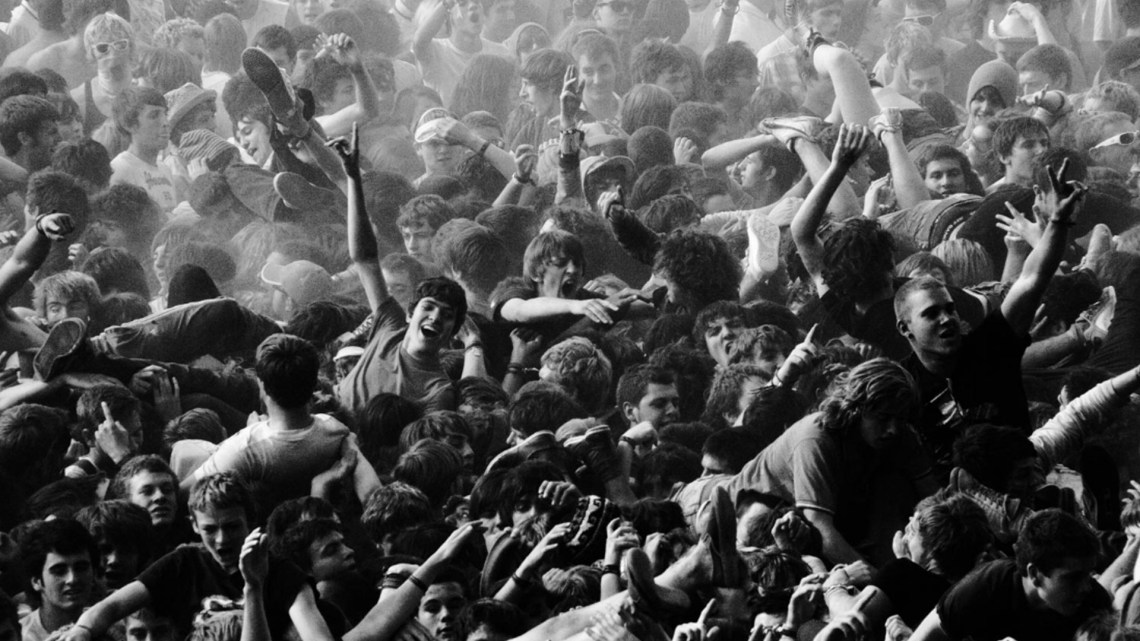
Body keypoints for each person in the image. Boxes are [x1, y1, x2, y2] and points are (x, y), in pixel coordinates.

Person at [60, 473, 335, 641]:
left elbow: (317, 636)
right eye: (210, 529)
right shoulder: (184, 563)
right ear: (193, 525)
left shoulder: (283, 573)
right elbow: (113, 607)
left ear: (250, 522)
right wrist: (82, 630)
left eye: (231, 527)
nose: (221, 540)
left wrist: (254, 584)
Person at [910, 509, 1110, 641]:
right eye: (1073, 578)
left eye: (1088, 575)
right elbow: (924, 636)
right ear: (1035, 574)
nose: (1086, 587)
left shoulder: (1094, 604)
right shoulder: (986, 587)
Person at [18, 518, 98, 641]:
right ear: (36, 581)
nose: (72, 579)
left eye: (81, 568)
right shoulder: (19, 635)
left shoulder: (110, 626)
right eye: (59, 571)